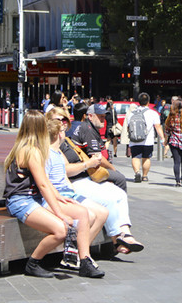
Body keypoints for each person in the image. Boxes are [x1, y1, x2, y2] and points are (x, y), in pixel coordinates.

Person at [3, 110, 105, 278]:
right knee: (61, 229)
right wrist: (59, 213)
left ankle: (85, 260)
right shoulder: (31, 151)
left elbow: (45, 184)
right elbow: (43, 184)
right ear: (38, 128)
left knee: (82, 212)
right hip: (21, 200)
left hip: (35, 198)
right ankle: (33, 263)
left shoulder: (31, 148)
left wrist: (58, 197)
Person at [53, 110, 146, 256]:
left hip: (84, 179)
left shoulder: (66, 140)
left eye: (65, 120)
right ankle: (117, 240)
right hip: (73, 183)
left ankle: (125, 234)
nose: (63, 123)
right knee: (108, 199)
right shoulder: (51, 144)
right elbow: (65, 171)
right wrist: (87, 164)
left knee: (119, 193)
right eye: (58, 120)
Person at [45, 118, 109, 268]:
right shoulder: (47, 153)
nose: (65, 133)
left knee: (103, 212)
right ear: (58, 134)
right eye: (63, 130)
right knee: (90, 215)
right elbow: (46, 182)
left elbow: (64, 175)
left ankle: (79, 255)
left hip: (69, 192)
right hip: (59, 195)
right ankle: (81, 256)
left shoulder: (59, 152)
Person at [70, 104, 127, 192]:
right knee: (120, 179)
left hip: (91, 167)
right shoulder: (88, 130)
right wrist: (113, 169)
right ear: (90, 116)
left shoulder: (90, 127)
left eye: (104, 117)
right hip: (88, 170)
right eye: (100, 116)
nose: (103, 119)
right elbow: (97, 157)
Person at [129, 92, 166, 183]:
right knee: (146, 158)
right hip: (147, 140)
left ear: (139, 102)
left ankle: (137, 172)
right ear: (148, 102)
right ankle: (145, 176)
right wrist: (162, 138)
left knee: (135, 157)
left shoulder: (131, 113)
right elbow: (158, 127)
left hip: (134, 140)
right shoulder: (153, 113)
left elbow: (128, 127)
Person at [164, 100, 182, 187]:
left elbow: (167, 130)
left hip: (174, 141)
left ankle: (177, 181)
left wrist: (166, 140)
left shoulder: (172, 117)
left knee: (176, 162)